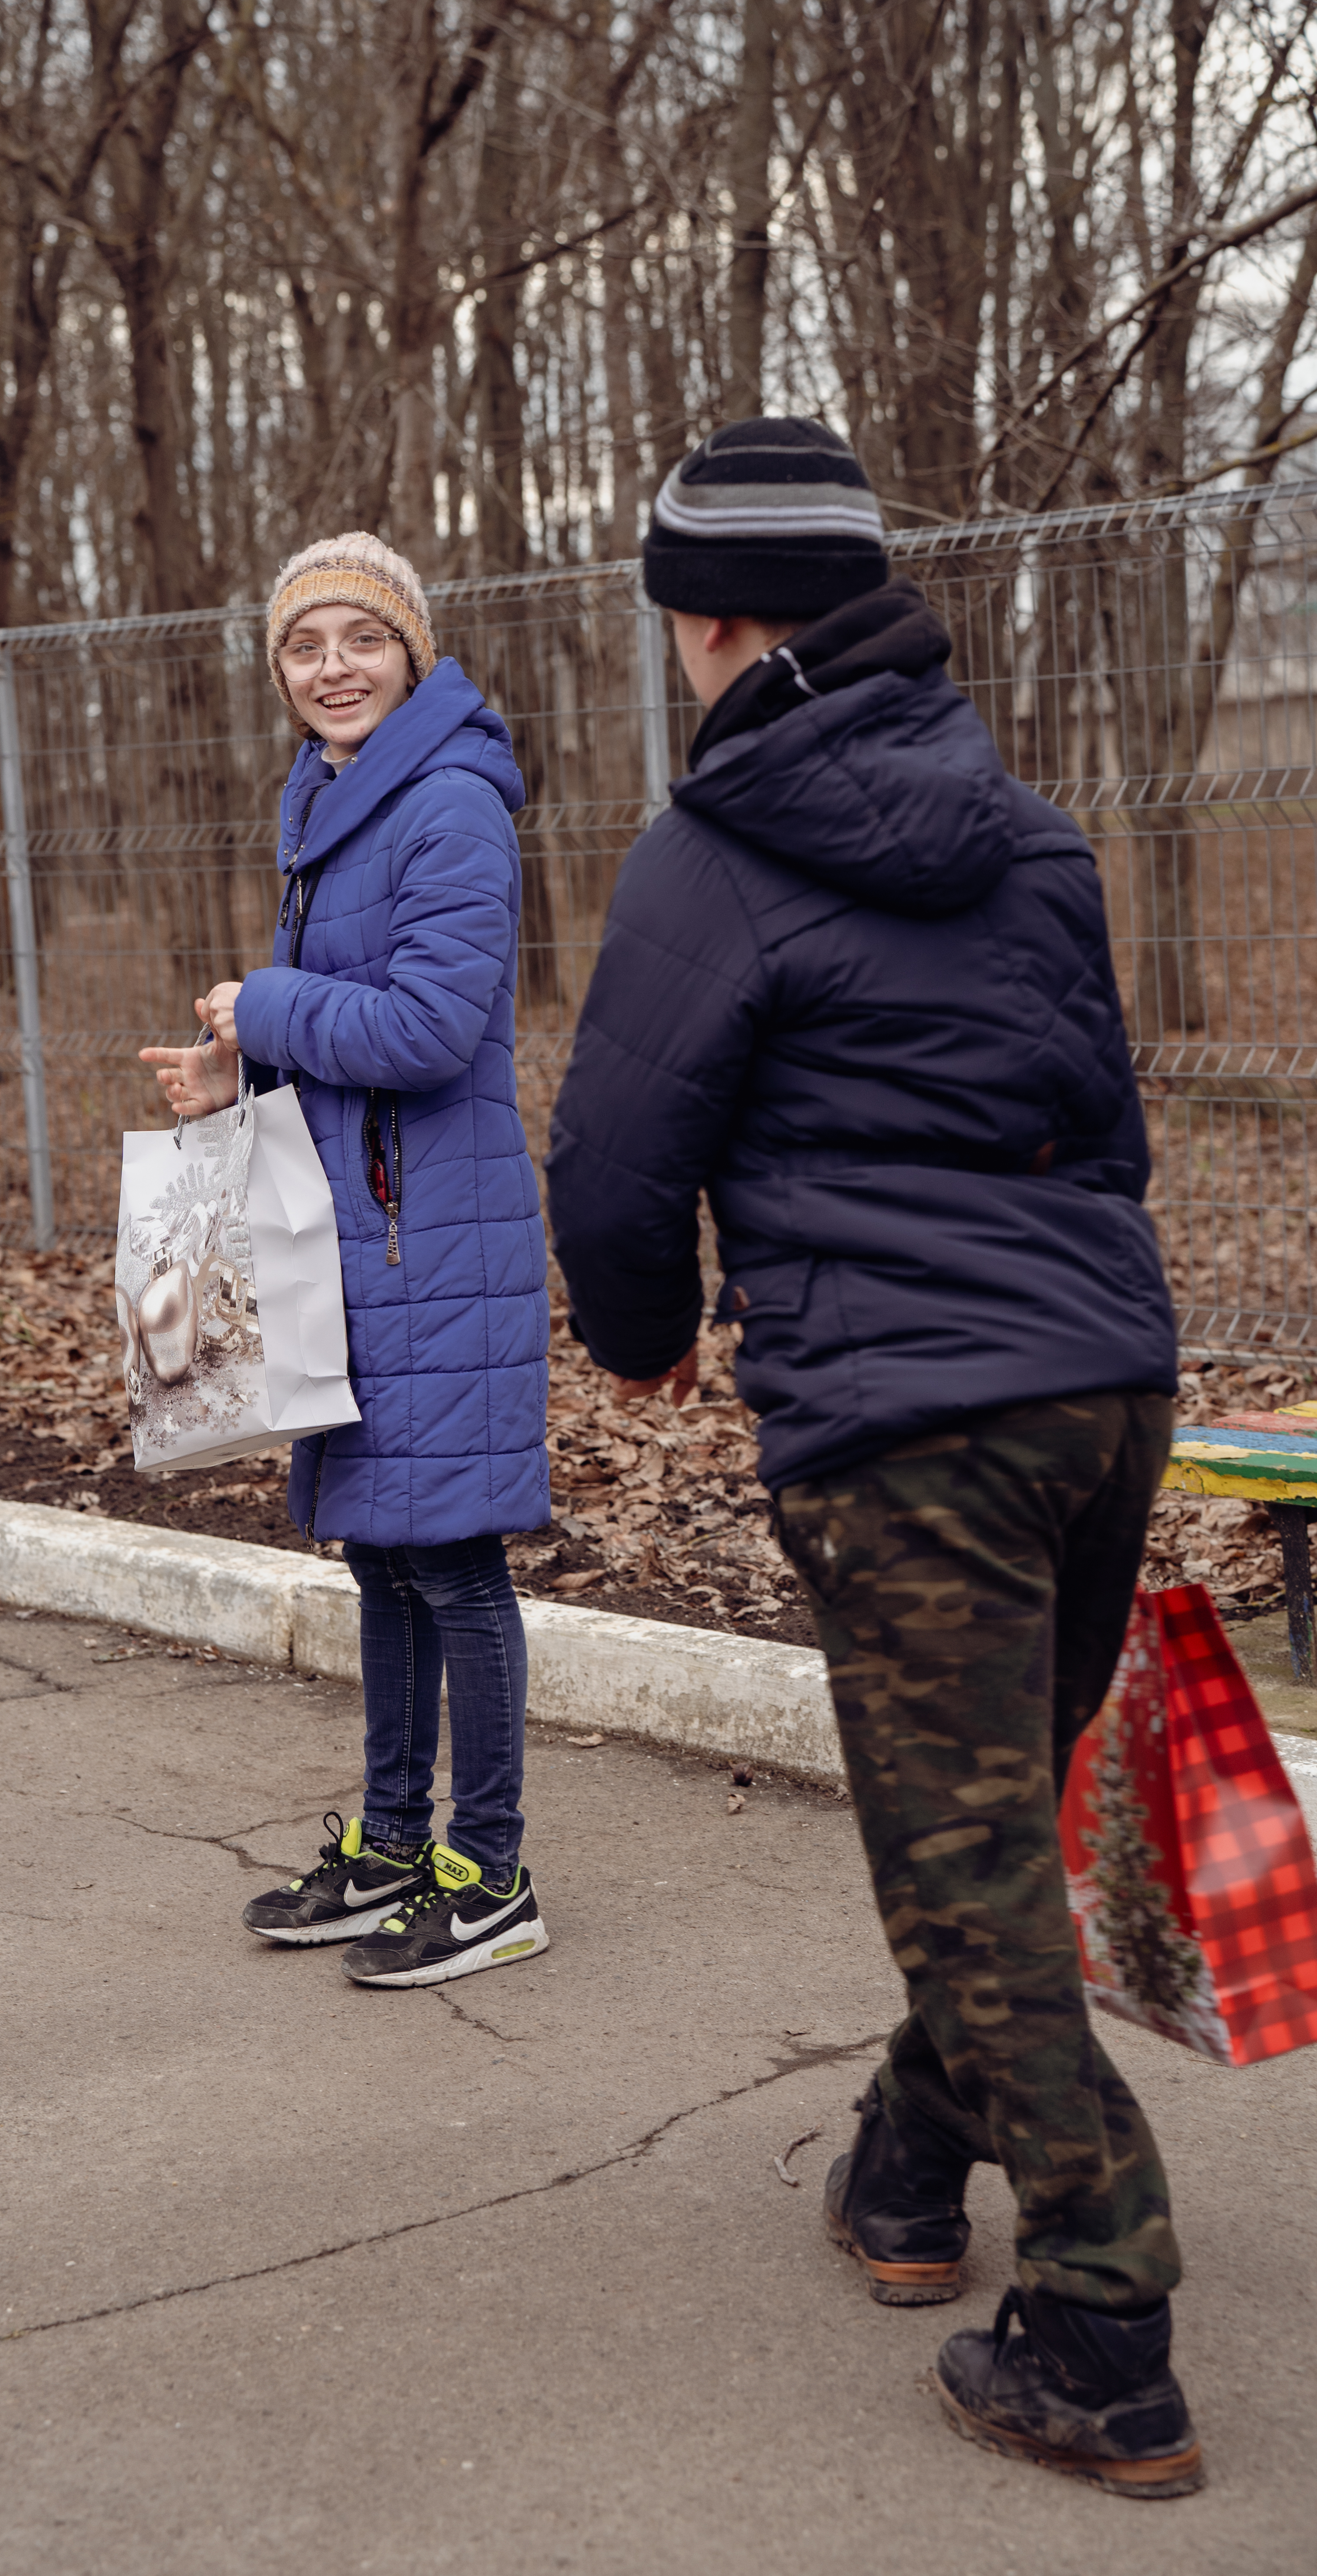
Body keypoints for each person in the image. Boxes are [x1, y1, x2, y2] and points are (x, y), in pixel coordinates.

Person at [546, 419, 1203, 2498]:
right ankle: (910, 2173)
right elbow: (1106, 1128)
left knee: (964, 1875)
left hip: (908, 1425)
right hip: (1101, 1391)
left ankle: (1100, 2324)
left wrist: (646, 1342)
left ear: (708, 617)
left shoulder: (712, 855)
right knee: (987, 1825)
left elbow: (617, 1162)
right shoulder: (1030, 833)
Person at [142, 532, 551, 1990]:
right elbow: (344, 1040)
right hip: (359, 1225)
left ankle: (489, 1872)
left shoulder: (449, 803)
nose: (333, 667)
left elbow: (434, 1031)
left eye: (361, 640)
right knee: (383, 1553)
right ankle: (391, 1848)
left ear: (413, 651)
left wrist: (270, 1003)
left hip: (432, 1234)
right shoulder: (325, 800)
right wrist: (236, 1082)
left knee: (452, 1558)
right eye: (305, 646)